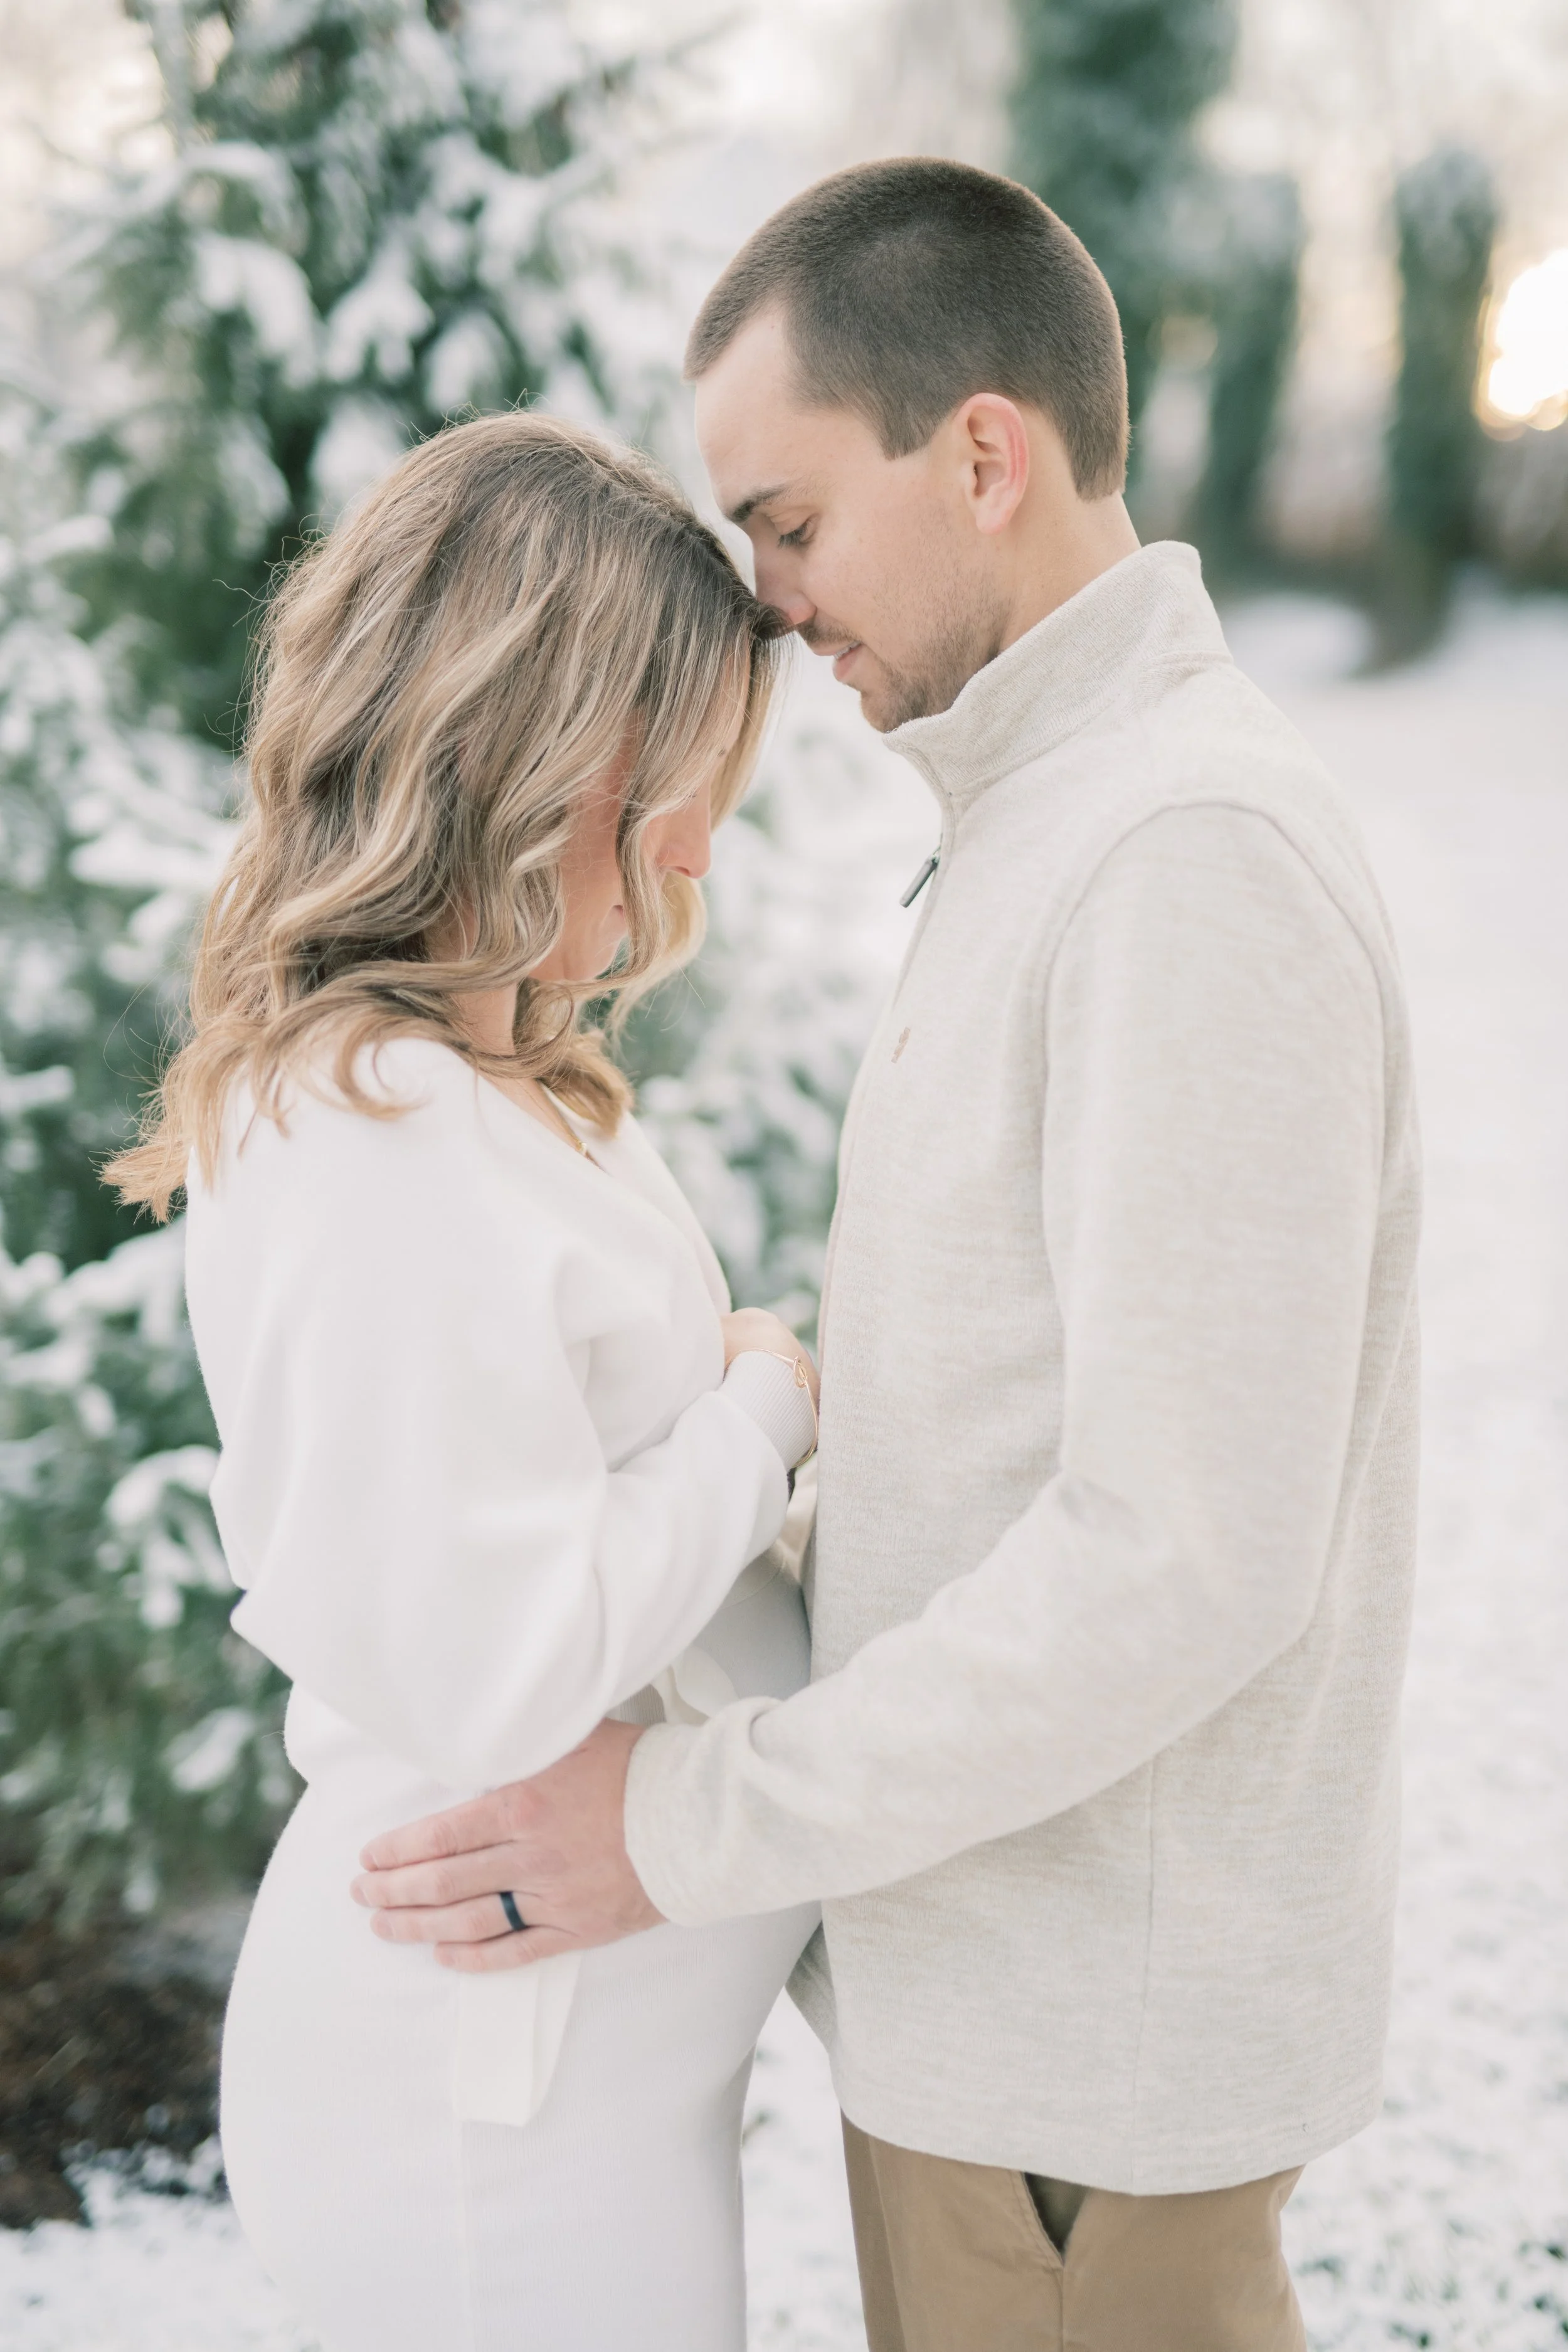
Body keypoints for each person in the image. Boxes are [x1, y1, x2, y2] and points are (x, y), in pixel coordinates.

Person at [353, 161, 1422, 2352]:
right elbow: (1013, 1444)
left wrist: (680, 1812)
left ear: (985, 452)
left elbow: (1180, 1552)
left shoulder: (1177, 856)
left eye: (791, 521)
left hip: (1079, 2082)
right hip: (990, 2025)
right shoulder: (1045, 818)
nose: (766, 600)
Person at [107, 413, 825, 2352]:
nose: (693, 840)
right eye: (670, 776)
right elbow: (502, 1659)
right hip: (483, 2107)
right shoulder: (379, 1132)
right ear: (537, 754)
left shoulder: (489, 1090)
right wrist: (763, 1410)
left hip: (575, 2077)